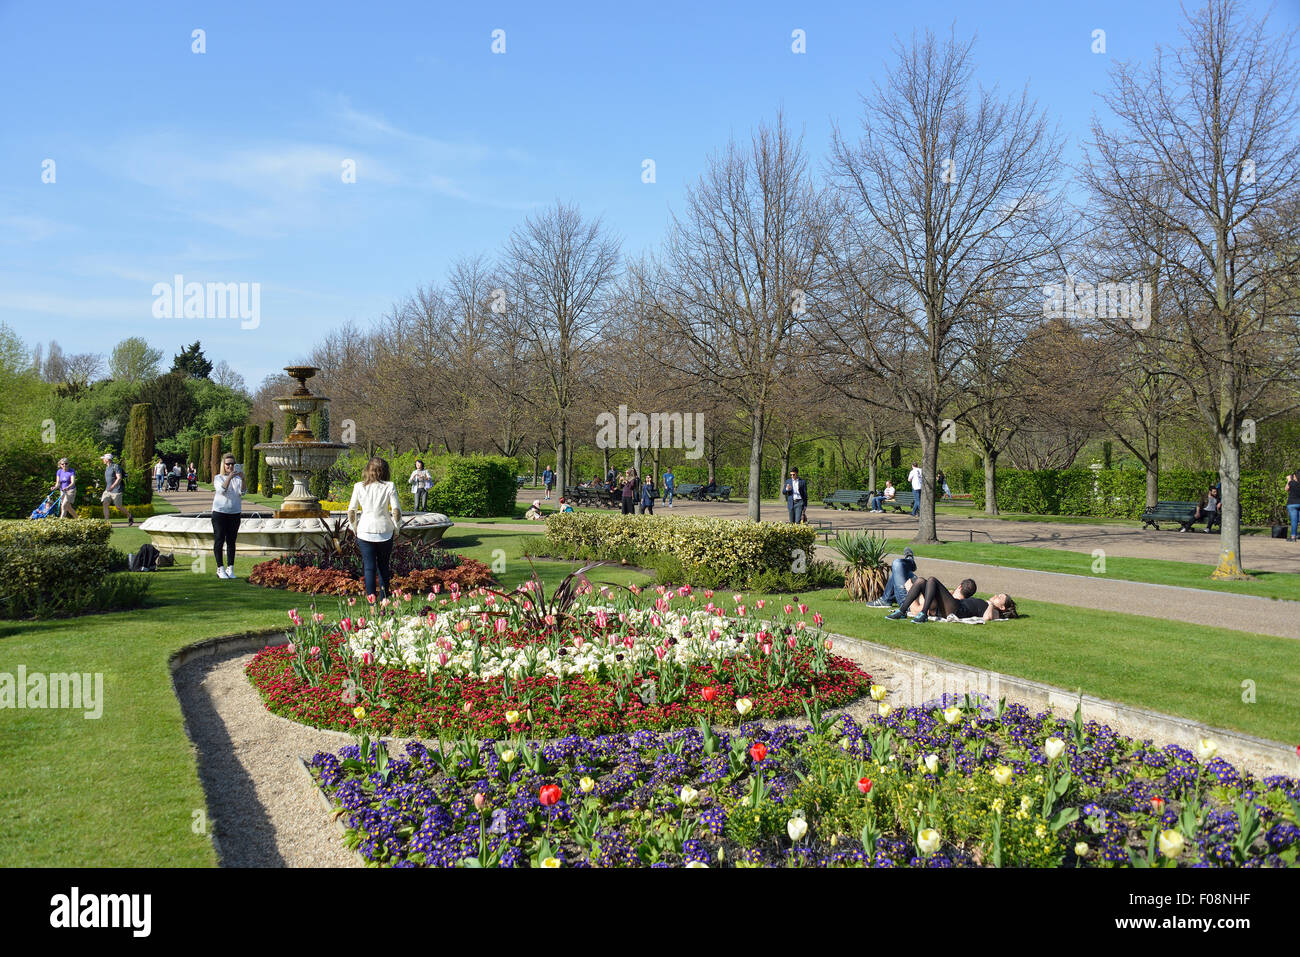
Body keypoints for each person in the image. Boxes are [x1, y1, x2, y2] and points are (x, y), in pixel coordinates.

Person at [347, 456, 401, 600]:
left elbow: (351, 511)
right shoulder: (389, 486)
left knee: (369, 568)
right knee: (383, 567)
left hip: (365, 530)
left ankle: (372, 603)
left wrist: (355, 528)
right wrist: (397, 529)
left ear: (368, 470)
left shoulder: (358, 486)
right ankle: (384, 600)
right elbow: (396, 511)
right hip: (385, 530)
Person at [889, 576, 1018, 623]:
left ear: (1002, 607)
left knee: (933, 580)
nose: (996, 596)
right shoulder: (988, 603)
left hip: (957, 610)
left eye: (1000, 597)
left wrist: (990, 604)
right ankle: (902, 611)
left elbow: (987, 618)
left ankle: (923, 614)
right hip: (952, 605)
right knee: (922, 581)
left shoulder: (995, 611)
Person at [211, 455, 245, 579]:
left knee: (231, 541)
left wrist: (243, 479)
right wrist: (230, 477)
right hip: (220, 512)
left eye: (232, 464)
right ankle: (220, 568)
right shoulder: (218, 478)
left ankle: (230, 568)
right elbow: (221, 490)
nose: (230, 466)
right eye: (228, 464)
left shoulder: (238, 479)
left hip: (234, 513)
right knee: (219, 539)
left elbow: (243, 492)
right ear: (223, 466)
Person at [100, 453, 133, 526]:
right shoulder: (107, 467)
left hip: (116, 489)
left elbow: (119, 478)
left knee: (118, 506)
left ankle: (129, 515)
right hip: (108, 490)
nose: (103, 460)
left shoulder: (116, 466)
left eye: (104, 459)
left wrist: (112, 486)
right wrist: (109, 488)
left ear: (107, 460)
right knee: (105, 504)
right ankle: (107, 522)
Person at [1286, 471, 1300, 543]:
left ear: (1295, 476)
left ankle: (1293, 537)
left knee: (1294, 521)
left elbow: (1286, 489)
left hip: (1292, 504)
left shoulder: (1291, 482)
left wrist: (1289, 479)